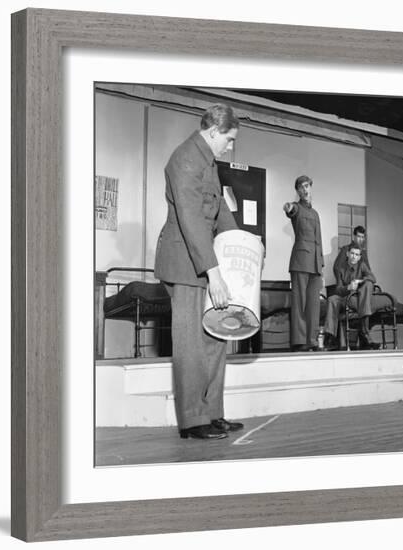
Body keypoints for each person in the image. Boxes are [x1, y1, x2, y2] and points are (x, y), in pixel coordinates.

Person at [154, 104, 244, 441]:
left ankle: (212, 412)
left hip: (205, 261)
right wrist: (214, 273)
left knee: (215, 337)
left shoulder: (208, 161)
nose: (231, 146)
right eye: (230, 139)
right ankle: (192, 421)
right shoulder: (186, 158)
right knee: (191, 343)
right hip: (184, 263)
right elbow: (192, 219)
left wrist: (243, 247)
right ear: (213, 132)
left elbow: (219, 209)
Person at [283, 175, 324, 352]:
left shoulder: (315, 213)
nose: (305, 190)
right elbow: (290, 210)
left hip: (315, 263)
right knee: (299, 303)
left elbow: (319, 240)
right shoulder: (297, 209)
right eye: (301, 187)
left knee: (314, 305)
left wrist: (321, 263)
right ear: (298, 191)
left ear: (311, 187)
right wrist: (288, 207)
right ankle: (299, 341)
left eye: (307, 186)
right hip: (300, 262)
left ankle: (312, 341)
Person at [323, 244, 380, 351]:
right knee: (332, 299)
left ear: (359, 257)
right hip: (345, 297)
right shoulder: (341, 268)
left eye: (357, 255)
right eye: (352, 253)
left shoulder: (362, 265)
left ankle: (364, 332)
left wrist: (360, 281)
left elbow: (372, 277)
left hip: (358, 297)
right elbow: (338, 289)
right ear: (348, 254)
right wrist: (348, 287)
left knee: (368, 283)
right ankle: (330, 338)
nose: (354, 257)